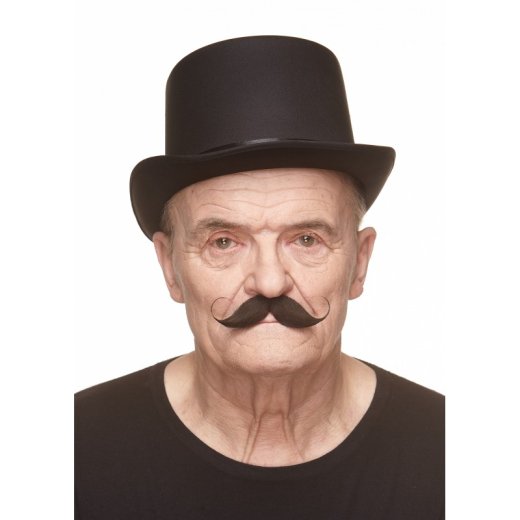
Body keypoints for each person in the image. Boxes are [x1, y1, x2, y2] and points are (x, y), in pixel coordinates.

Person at [75, 36, 444, 519]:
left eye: (306, 239)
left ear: (359, 262)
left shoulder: (456, 454)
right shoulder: (70, 451)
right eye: (224, 242)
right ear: (170, 267)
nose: (270, 283)